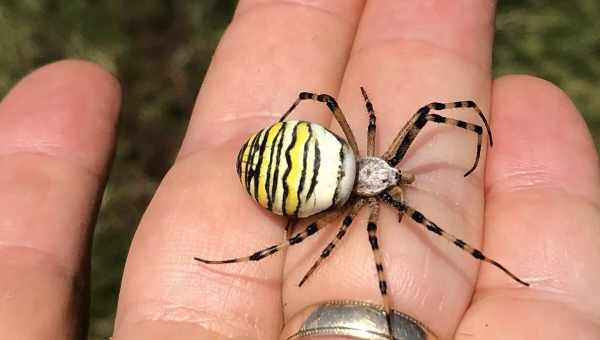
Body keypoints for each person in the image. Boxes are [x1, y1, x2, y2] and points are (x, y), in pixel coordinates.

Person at [1, 1, 598, 339]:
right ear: (380, 160)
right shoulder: (366, 205)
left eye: (388, 175)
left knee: (434, 117)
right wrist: (386, 306)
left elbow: (334, 101)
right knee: (438, 194)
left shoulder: (363, 147)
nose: (391, 179)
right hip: (308, 164)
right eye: (388, 174)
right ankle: (472, 279)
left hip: (313, 156)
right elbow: (384, 256)